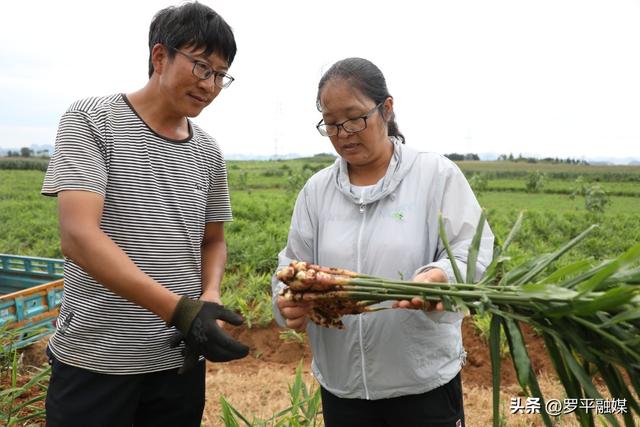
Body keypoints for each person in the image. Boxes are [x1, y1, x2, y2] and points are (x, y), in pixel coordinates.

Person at [41, 3, 248, 426]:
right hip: (96, 361)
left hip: (176, 364)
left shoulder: (208, 151)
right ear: (160, 57)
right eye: (201, 67)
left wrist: (208, 296)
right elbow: (78, 236)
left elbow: (213, 240)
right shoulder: (92, 120)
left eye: (220, 74)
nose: (210, 85)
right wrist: (180, 311)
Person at [272, 57, 494, 427]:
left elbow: (474, 250)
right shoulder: (317, 191)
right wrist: (286, 303)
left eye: (355, 118)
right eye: (331, 123)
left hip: (422, 386)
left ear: (386, 108)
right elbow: (291, 263)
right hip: (343, 389)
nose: (343, 132)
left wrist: (440, 277)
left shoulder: (434, 175)